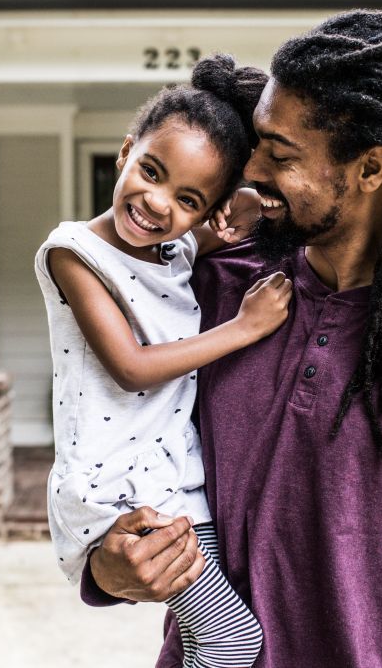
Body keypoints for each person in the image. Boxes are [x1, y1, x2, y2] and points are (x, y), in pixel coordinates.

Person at [81, 10, 382, 667]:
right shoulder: (216, 289)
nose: (249, 168)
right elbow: (112, 446)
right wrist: (108, 568)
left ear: (369, 169)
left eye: (280, 154)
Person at [35, 55, 286, 668]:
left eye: (188, 198)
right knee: (231, 640)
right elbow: (133, 366)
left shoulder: (171, 246)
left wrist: (251, 202)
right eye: (150, 170)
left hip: (165, 473)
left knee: (210, 640)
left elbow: (198, 237)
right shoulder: (75, 252)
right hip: (118, 484)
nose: (156, 202)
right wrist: (244, 329)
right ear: (126, 152)